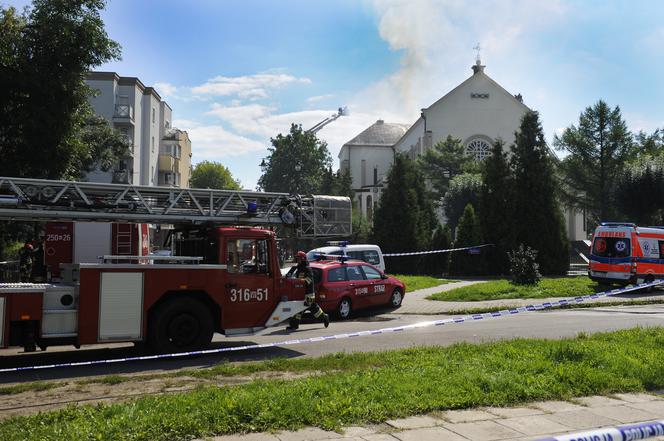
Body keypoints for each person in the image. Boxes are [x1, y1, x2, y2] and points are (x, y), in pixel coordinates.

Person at [287, 251, 329, 330]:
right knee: (299, 309)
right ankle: (294, 325)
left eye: (298, 259)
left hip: (308, 294)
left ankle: (324, 317)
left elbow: (309, 279)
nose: (297, 260)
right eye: (297, 259)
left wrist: (299, 281)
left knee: (314, 310)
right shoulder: (298, 268)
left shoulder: (307, 269)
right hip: (301, 293)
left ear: (303, 259)